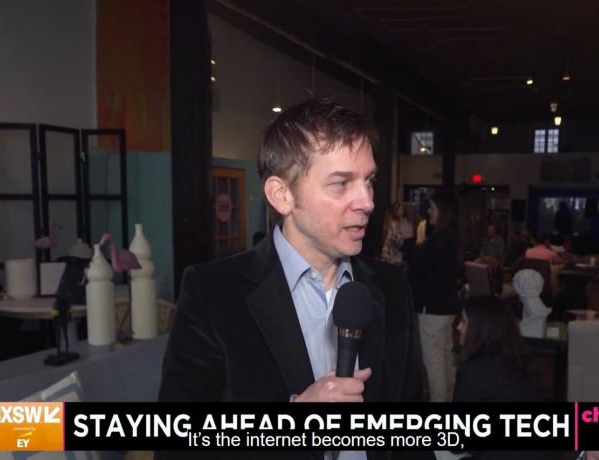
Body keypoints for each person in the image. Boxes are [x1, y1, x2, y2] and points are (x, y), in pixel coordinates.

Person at [157, 98, 424, 459]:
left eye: (369, 181)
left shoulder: (391, 287)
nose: (367, 202)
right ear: (282, 195)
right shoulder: (214, 294)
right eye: (341, 183)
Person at [453, 295, 551, 460]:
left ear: (479, 328)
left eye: (463, 321)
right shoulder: (526, 364)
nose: (458, 327)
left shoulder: (473, 373)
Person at [404, 190, 462, 402]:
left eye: (433, 208)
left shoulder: (441, 237)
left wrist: (408, 239)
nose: (428, 211)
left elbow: (418, 266)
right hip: (446, 306)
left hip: (433, 307)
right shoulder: (451, 235)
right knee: (446, 357)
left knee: (434, 362)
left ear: (443, 211)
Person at [381, 202, 413, 267]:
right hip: (392, 258)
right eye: (401, 209)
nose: (403, 211)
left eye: (403, 209)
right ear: (395, 211)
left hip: (389, 256)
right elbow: (397, 241)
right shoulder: (394, 224)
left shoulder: (391, 222)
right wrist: (406, 235)